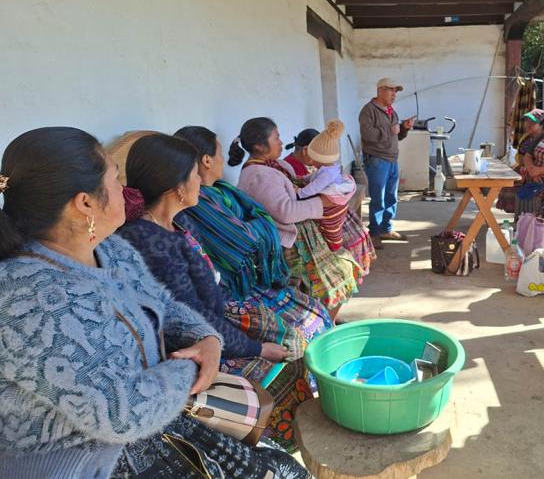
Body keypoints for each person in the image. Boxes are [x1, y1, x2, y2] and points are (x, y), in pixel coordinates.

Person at [0, 127, 308, 478]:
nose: (126, 192)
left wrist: (207, 339)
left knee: (282, 467)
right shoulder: (27, 299)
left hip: (156, 420)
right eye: (116, 181)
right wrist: (196, 366)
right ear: (85, 203)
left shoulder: (109, 248)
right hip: (89, 462)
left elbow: (162, 303)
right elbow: (122, 413)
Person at [118, 133, 329, 450]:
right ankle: (280, 441)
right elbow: (191, 321)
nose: (199, 180)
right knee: (285, 355)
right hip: (185, 350)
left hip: (210, 320)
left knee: (296, 326)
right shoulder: (150, 242)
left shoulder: (174, 224)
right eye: (193, 174)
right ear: (176, 187)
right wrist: (256, 349)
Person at [228, 118, 366, 319]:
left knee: (342, 268)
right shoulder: (259, 174)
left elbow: (296, 186)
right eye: (276, 138)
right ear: (259, 145)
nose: (282, 142)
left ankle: (326, 320)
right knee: (342, 274)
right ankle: (323, 327)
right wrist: (323, 203)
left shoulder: (270, 166)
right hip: (289, 243)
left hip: (301, 236)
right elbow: (286, 212)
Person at [359, 77, 415, 249]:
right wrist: (388, 130)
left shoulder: (392, 111)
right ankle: (374, 233)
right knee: (378, 199)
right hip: (377, 160)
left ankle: (386, 228)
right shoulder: (368, 111)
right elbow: (368, 135)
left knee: (391, 197)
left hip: (391, 160)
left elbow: (396, 136)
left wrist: (404, 127)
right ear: (380, 90)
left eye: (396, 91)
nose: (394, 94)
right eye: (391, 90)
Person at [296, 120, 356, 252]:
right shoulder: (327, 168)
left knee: (331, 225)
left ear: (319, 159)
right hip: (333, 199)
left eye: (313, 158)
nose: (311, 161)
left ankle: (335, 243)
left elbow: (314, 188)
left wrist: (299, 193)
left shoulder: (326, 175)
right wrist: (304, 178)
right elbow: (314, 177)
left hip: (334, 206)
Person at [496, 108, 544, 213]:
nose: (527, 124)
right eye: (527, 121)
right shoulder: (526, 138)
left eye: (532, 122)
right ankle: (519, 216)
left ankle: (523, 216)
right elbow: (520, 156)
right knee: (508, 183)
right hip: (525, 169)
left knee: (518, 187)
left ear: (542, 125)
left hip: (540, 171)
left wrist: (533, 171)